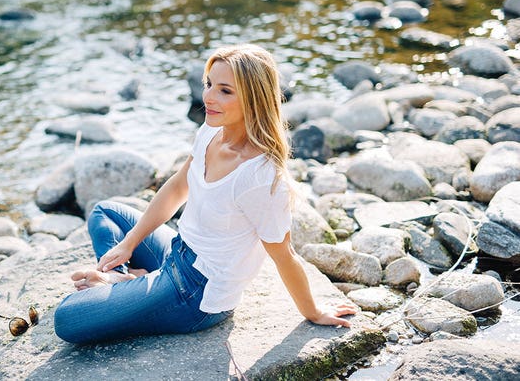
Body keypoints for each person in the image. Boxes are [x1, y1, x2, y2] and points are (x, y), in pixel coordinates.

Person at [54, 44, 357, 344]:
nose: (209, 97)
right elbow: (178, 186)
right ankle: (124, 279)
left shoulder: (259, 177)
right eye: (209, 84)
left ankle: (125, 285)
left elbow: (284, 256)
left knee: (67, 318)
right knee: (105, 212)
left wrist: (313, 311)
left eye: (225, 90)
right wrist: (128, 244)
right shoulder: (213, 130)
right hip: (177, 251)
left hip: (196, 293)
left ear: (254, 99)